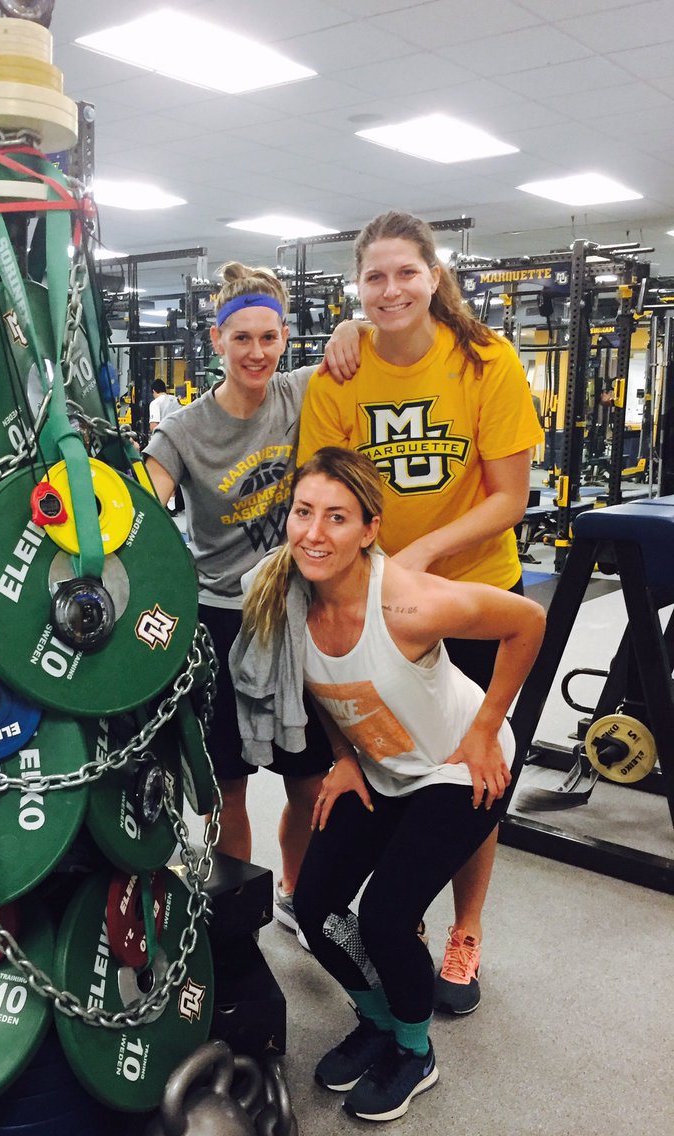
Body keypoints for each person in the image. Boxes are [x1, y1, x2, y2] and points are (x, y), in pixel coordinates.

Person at [231, 447, 545, 1122]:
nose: (314, 533)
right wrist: (343, 755)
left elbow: (528, 622)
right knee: (314, 907)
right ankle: (376, 1020)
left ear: (370, 529)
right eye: (303, 513)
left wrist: (488, 725)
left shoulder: (407, 602)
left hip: (458, 769)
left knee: (384, 918)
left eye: (337, 518)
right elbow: (323, 690)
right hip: (381, 768)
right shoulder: (289, 599)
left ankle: (414, 1048)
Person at [298, 210, 543, 1014]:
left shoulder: (486, 360)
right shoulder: (342, 371)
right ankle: (399, 916)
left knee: (473, 767)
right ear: (358, 287)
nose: (392, 288)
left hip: (468, 588)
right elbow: (324, 487)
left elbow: (511, 495)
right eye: (374, 277)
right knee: (389, 754)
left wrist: (427, 553)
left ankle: (465, 930)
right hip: (376, 601)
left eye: (407, 272)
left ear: (434, 276)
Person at [144, 262, 334, 942]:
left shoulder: (301, 391)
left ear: (286, 339)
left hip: (295, 615)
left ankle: (299, 899)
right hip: (219, 620)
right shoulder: (185, 431)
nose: (257, 352)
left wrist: (349, 332)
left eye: (270, 337)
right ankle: (238, 915)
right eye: (243, 338)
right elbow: (139, 510)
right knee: (228, 785)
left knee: (308, 780)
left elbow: (383, 333)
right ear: (216, 340)